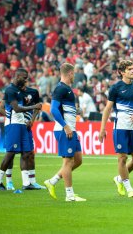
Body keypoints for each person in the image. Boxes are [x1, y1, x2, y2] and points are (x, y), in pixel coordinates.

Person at [99, 60, 133, 198]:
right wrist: (102, 129)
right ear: (122, 72)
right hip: (120, 127)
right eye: (130, 69)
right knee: (122, 158)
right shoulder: (115, 87)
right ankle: (128, 187)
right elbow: (107, 108)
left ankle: (119, 178)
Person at [44, 63, 86, 202]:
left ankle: (53, 181)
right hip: (64, 130)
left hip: (71, 130)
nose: (74, 76)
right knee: (68, 162)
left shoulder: (67, 89)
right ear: (69, 73)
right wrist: (65, 126)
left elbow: (64, 109)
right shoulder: (60, 89)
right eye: (73, 73)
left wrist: (76, 112)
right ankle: (69, 195)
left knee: (78, 160)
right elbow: (53, 109)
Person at [0, 68, 42, 191]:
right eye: (24, 78)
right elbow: (15, 108)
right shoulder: (10, 90)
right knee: (10, 153)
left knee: (27, 152)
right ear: (17, 76)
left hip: (23, 124)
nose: (26, 80)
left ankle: (27, 183)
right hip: (13, 125)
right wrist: (33, 106)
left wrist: (31, 119)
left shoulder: (21, 91)